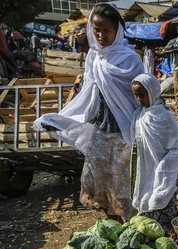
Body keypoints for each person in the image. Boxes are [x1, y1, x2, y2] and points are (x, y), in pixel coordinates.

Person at [34, 3, 143, 221]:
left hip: (124, 132)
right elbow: (88, 95)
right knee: (97, 180)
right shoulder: (93, 57)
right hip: (101, 130)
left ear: (118, 30)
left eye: (107, 31)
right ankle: (111, 226)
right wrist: (63, 119)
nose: (101, 35)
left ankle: (129, 227)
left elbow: (141, 97)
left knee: (122, 184)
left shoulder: (131, 60)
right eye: (96, 30)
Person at [130, 73, 178, 232]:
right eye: (136, 95)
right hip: (146, 165)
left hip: (161, 167)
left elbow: (177, 144)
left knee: (162, 199)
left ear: (152, 92)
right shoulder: (140, 114)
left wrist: (164, 167)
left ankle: (170, 232)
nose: (139, 99)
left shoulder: (164, 117)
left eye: (142, 95)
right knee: (146, 198)